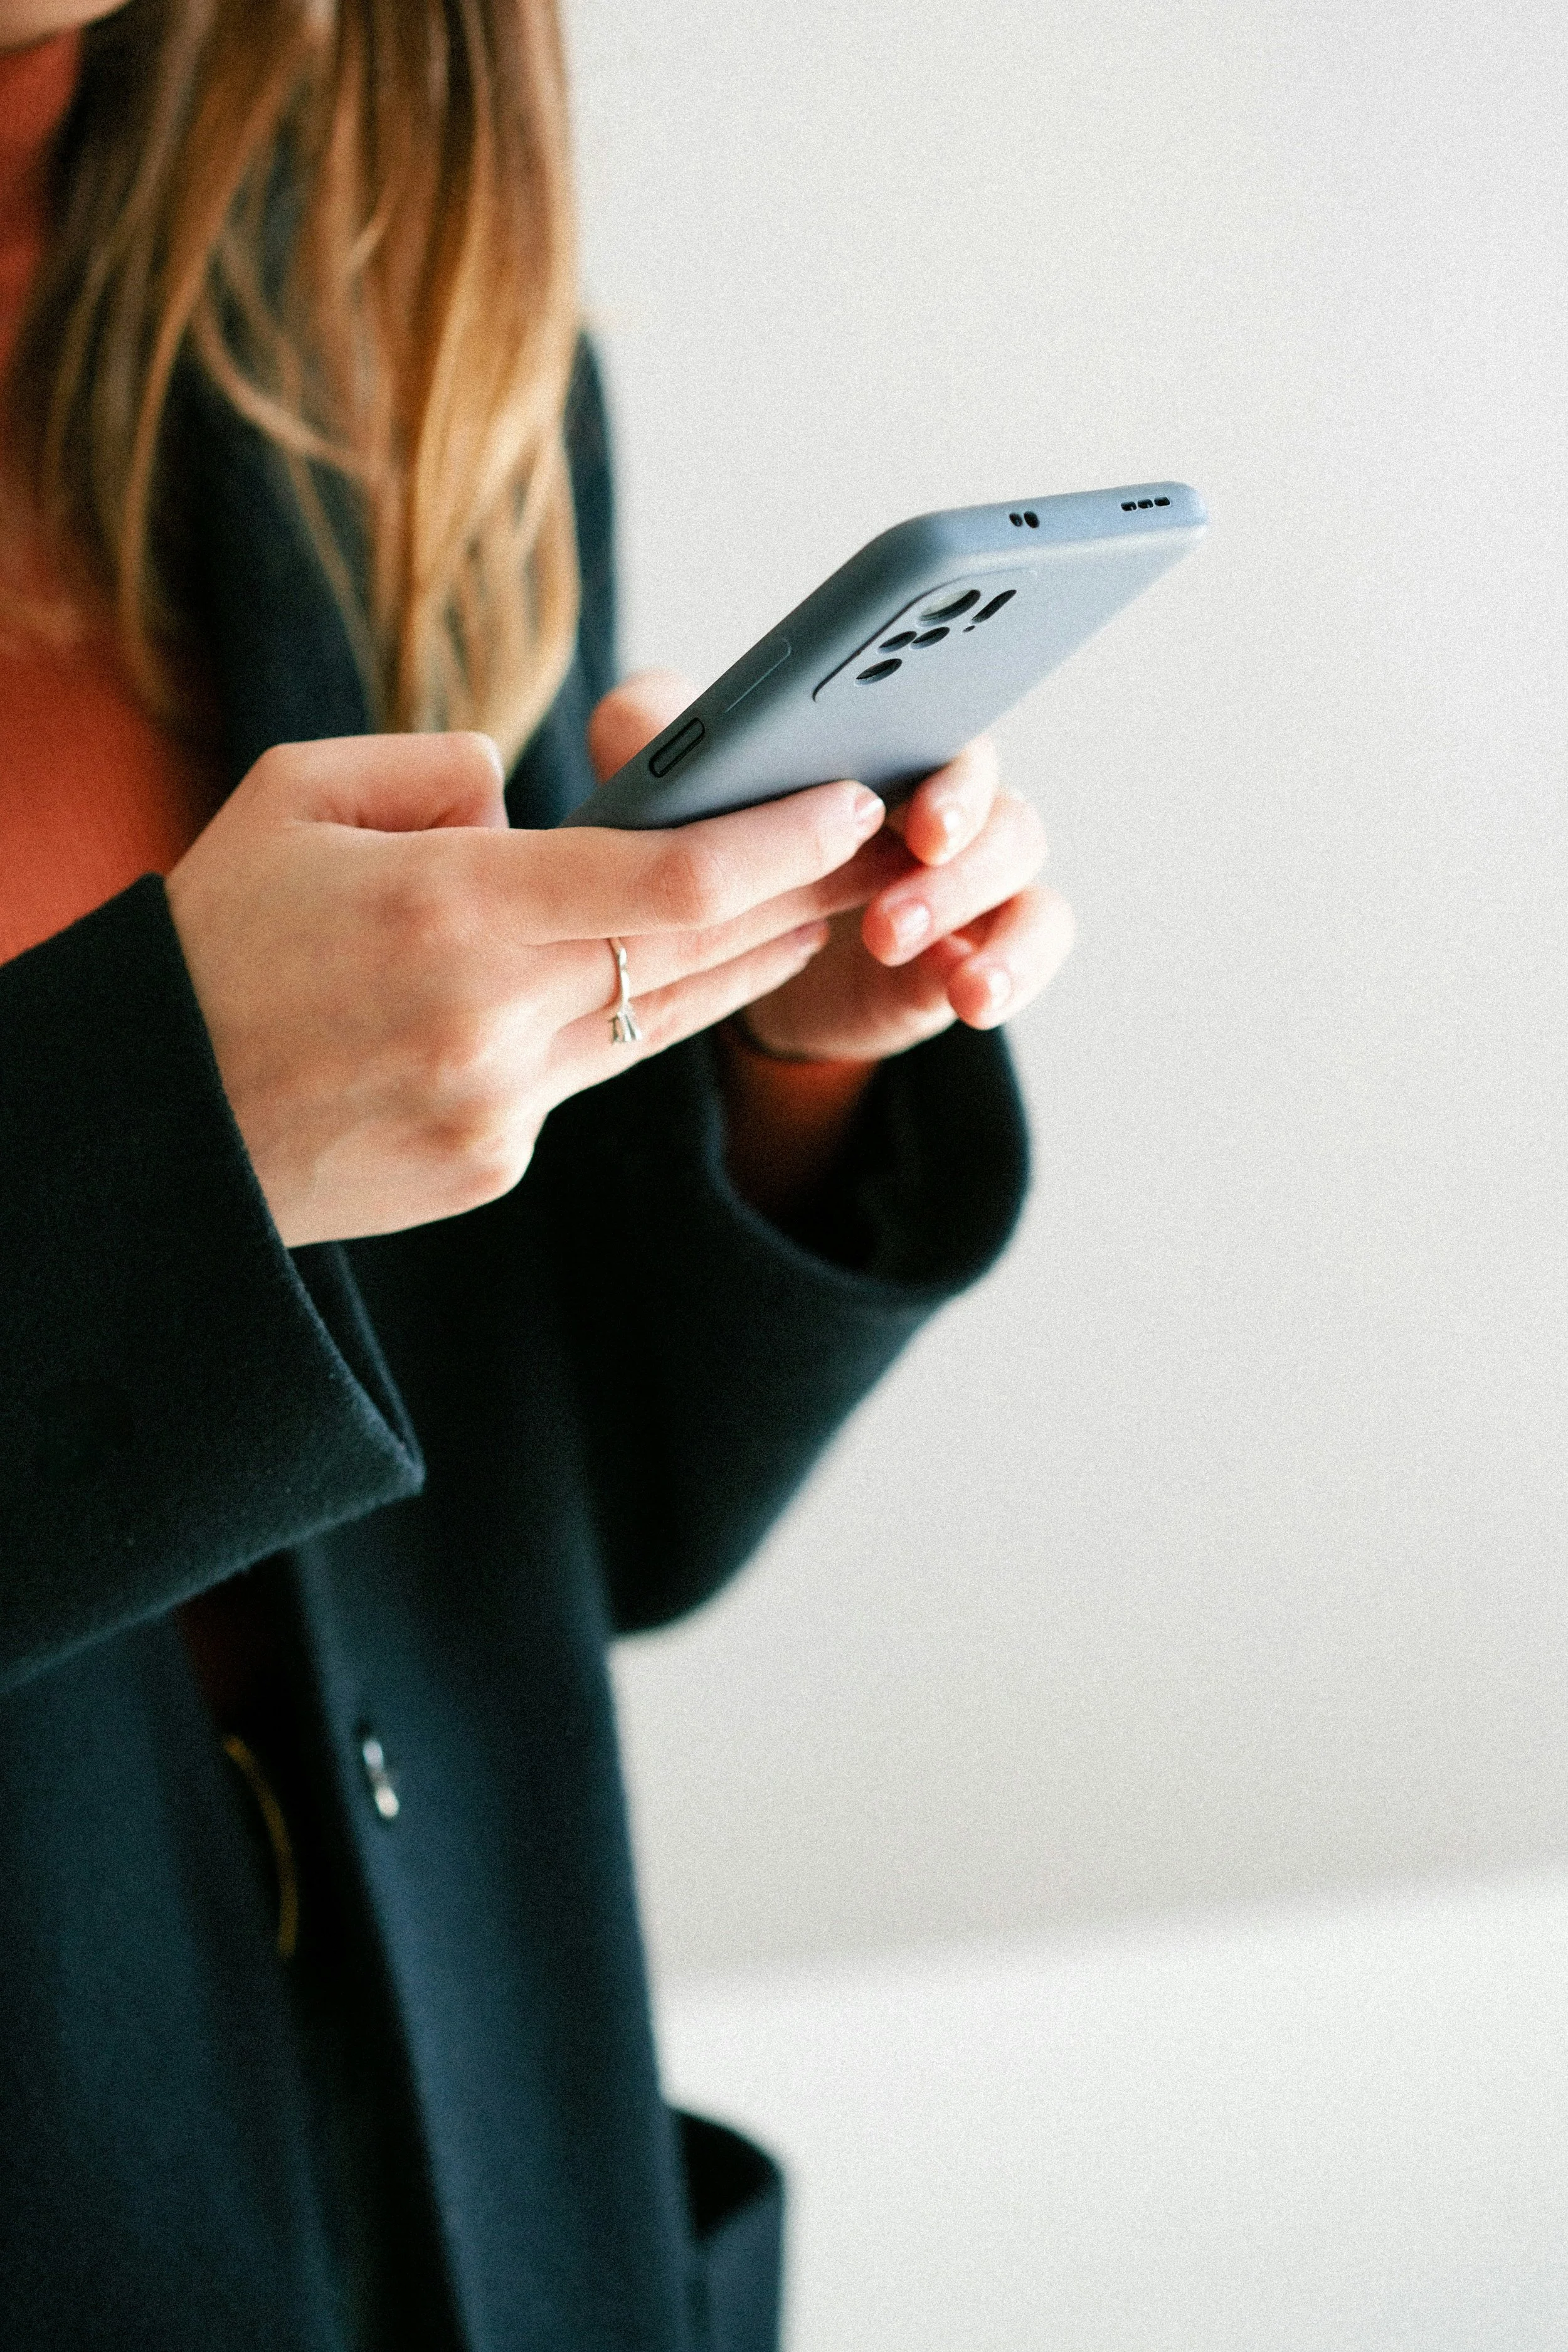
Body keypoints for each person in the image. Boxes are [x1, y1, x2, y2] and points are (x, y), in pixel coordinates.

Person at [0, 4, 1073, 2346]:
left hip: (485, 2222)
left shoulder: (394, 338)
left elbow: (565, 1533)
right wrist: (172, 1141)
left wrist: (784, 1059)